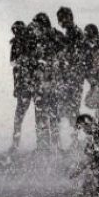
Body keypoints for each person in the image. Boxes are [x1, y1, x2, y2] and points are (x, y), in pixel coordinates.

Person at [30, 13, 63, 151]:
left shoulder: (51, 39)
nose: (34, 29)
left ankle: (48, 145)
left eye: (37, 26)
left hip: (49, 82)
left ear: (42, 26)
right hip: (45, 82)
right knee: (49, 114)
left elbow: (61, 60)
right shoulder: (54, 37)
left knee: (48, 114)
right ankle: (48, 145)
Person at [56, 7, 86, 143]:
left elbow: (75, 56)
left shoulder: (75, 33)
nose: (61, 21)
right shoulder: (72, 32)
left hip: (73, 78)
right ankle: (74, 140)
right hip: (71, 78)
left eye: (63, 18)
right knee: (70, 110)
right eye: (60, 19)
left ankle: (75, 140)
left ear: (70, 17)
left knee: (70, 110)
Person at [9, 20, 37, 151]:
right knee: (19, 116)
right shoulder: (15, 44)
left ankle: (45, 145)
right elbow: (14, 67)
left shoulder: (33, 41)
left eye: (19, 31)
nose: (17, 34)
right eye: (15, 32)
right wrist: (16, 86)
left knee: (40, 116)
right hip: (24, 84)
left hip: (35, 82)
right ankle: (15, 143)